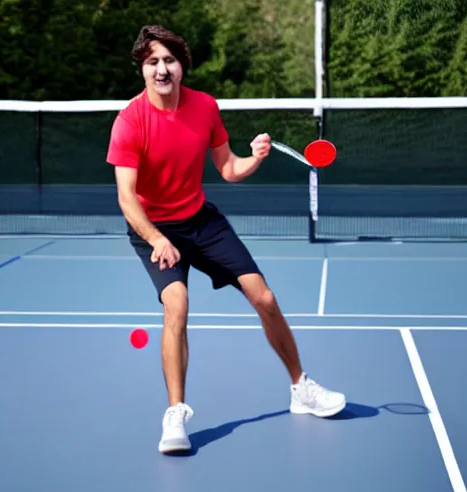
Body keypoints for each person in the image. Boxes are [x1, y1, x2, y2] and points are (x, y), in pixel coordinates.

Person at [106, 24, 346, 454]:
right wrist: (157, 238)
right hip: (155, 229)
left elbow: (228, 169)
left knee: (265, 298)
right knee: (176, 303)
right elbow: (126, 197)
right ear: (142, 69)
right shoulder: (129, 122)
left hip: (201, 220)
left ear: (182, 66)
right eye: (152, 62)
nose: (162, 69)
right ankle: (175, 414)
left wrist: (253, 159)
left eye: (169, 61)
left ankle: (300, 389)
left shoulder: (204, 108)